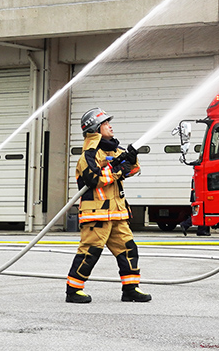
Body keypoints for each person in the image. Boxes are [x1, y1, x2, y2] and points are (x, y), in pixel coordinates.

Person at [65, 108, 151, 303]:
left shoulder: (114, 151)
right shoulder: (88, 154)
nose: (110, 126)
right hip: (96, 215)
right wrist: (119, 169)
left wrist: (131, 159)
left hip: (117, 214)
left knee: (128, 250)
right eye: (105, 124)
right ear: (95, 129)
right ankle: (73, 290)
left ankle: (130, 289)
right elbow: (94, 178)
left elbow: (133, 169)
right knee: (90, 252)